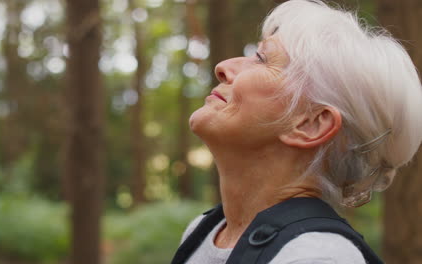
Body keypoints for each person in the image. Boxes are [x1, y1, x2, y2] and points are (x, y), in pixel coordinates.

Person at [170, 0, 422, 263]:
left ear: (310, 124)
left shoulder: (317, 257)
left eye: (262, 59)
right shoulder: (204, 231)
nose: (223, 67)